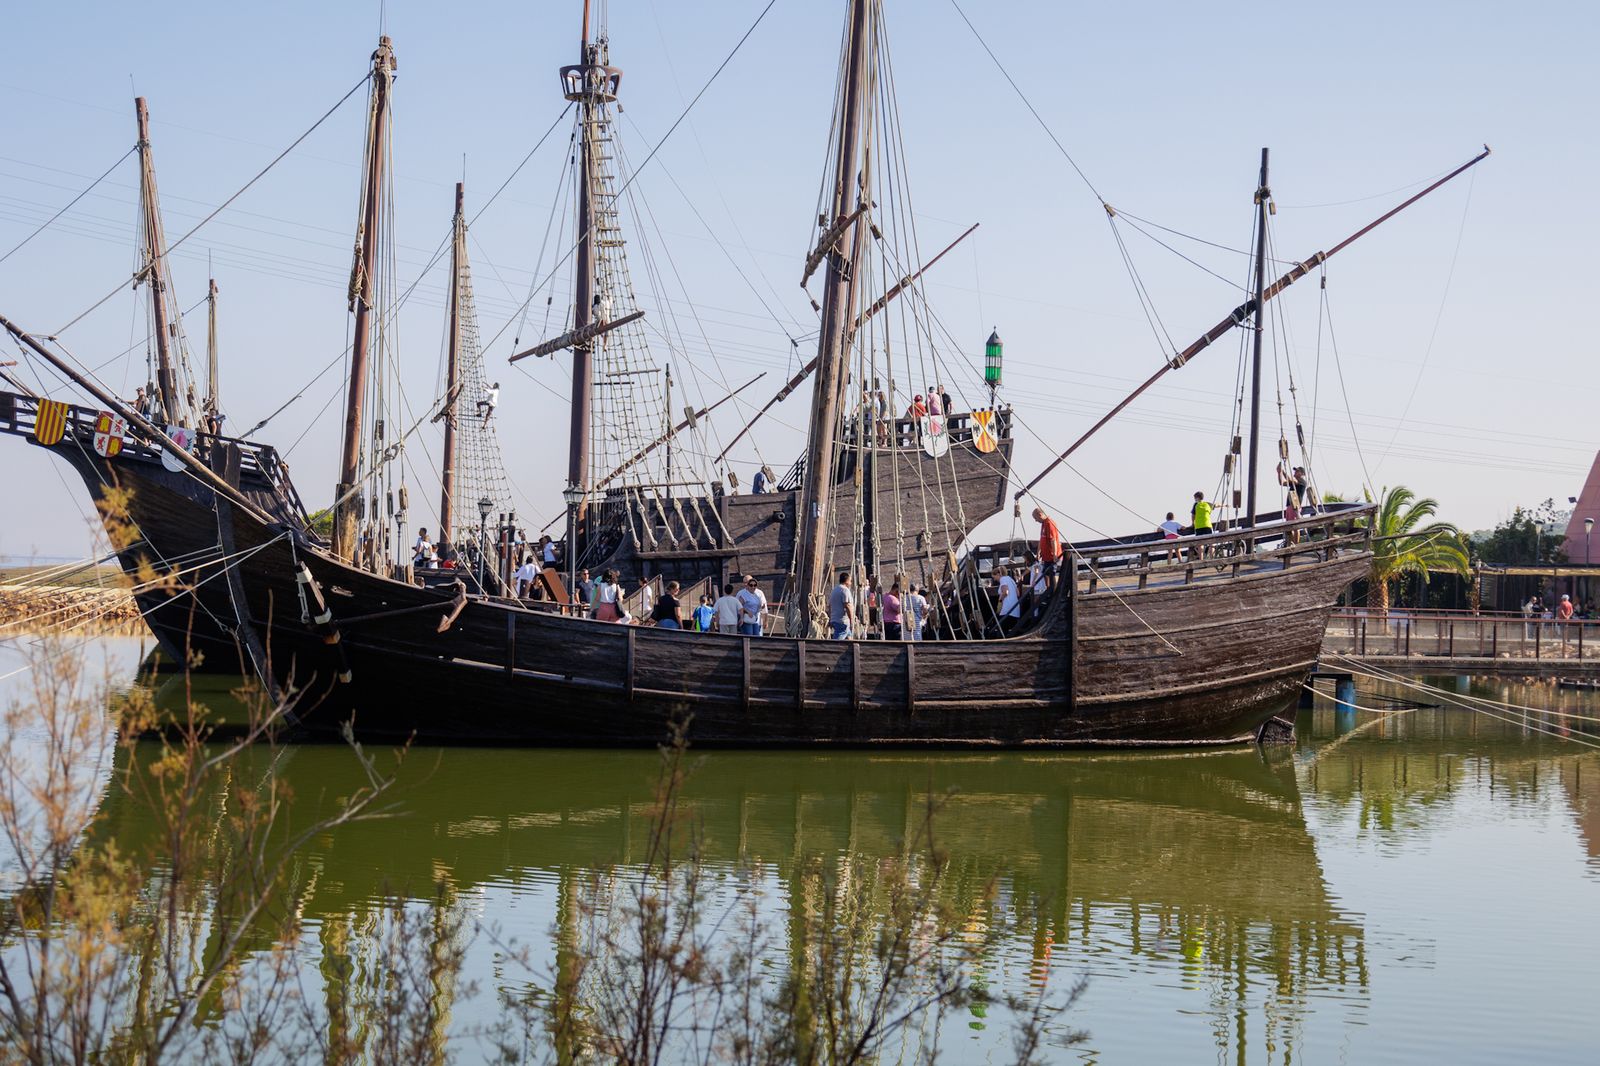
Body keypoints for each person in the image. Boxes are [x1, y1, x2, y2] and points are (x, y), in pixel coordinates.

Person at [1033, 507, 1062, 590]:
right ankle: (1049, 590)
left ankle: (1054, 591)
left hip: (1051, 555)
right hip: (1046, 556)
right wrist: (1038, 552)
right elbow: (1041, 539)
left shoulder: (1049, 523)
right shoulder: (1043, 524)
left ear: (1040, 515)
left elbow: (1053, 540)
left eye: (1036, 518)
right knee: (1045, 573)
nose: (1036, 520)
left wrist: (1055, 554)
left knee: (1052, 573)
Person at [829, 571, 855, 639]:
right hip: (842, 621)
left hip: (835, 619)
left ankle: (853, 649)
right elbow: (847, 605)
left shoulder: (834, 590)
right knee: (837, 641)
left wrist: (830, 618)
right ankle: (831, 649)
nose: (851, 583)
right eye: (850, 581)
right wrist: (851, 620)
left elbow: (830, 606)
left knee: (849, 638)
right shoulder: (845, 590)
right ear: (847, 581)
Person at [996, 565, 1021, 635]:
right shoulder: (1011, 579)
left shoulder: (1003, 579)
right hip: (1015, 608)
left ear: (999, 573)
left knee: (1002, 630)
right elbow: (1018, 593)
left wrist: (1000, 600)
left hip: (1007, 609)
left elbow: (1005, 592)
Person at [1190, 491, 1214, 560]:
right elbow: (1215, 505)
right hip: (1208, 525)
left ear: (1197, 498)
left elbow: (1193, 515)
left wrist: (1192, 523)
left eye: (1195, 498)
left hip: (1199, 526)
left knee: (1200, 544)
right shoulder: (1207, 504)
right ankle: (1212, 559)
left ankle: (1201, 560)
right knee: (1210, 543)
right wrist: (1223, 505)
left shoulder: (1196, 505)